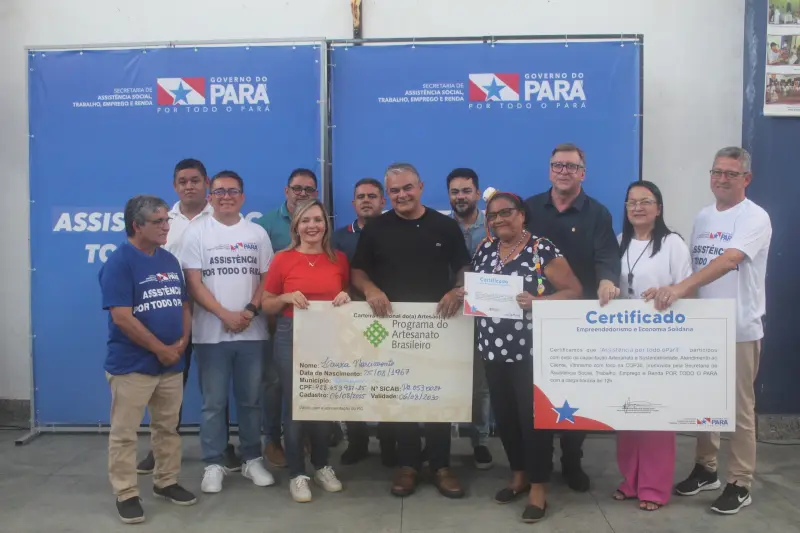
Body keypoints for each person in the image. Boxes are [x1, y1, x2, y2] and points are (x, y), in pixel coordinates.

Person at [646, 147, 772, 515]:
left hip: (739, 327)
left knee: (739, 408)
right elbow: (695, 269)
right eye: (716, 172)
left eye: (731, 173)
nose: (721, 179)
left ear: (746, 178)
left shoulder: (755, 217)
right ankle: (706, 468)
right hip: (703, 325)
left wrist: (679, 288)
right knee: (704, 401)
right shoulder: (703, 216)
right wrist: (670, 290)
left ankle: (740, 482)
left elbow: (730, 260)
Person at [351, 162, 470, 499]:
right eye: (394, 190)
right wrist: (371, 290)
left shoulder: (445, 226)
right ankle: (408, 466)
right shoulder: (376, 228)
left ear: (420, 187)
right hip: (391, 327)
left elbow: (464, 266)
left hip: (439, 326)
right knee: (400, 395)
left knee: (437, 394)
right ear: (387, 194)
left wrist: (457, 290)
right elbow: (357, 271)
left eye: (407, 188)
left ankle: (440, 464)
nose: (401, 195)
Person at [472, 191, 582, 523]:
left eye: (506, 212)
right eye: (493, 215)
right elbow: (479, 288)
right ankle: (518, 475)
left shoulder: (541, 249)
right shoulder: (485, 248)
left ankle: (538, 487)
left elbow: (574, 292)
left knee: (532, 421)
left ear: (522, 214)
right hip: (492, 350)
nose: (499, 220)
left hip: (531, 352)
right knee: (505, 418)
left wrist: (538, 302)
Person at [524, 143, 621, 492]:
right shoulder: (529, 208)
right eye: (558, 165)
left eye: (571, 166)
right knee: (535, 393)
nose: (564, 171)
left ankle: (572, 460)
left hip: (578, 318)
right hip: (533, 313)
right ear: (550, 170)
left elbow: (607, 255)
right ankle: (539, 463)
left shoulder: (598, 213)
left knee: (574, 392)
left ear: (583, 173)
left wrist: (607, 279)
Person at [137, 158, 240, 475]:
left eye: (195, 180)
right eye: (182, 181)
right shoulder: (163, 221)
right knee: (169, 388)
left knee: (215, 390)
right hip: (171, 317)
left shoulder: (221, 217)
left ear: (206, 183)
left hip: (211, 315)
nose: (189, 186)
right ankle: (161, 449)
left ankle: (222, 446)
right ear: (174, 186)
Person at [99, 195, 197, 524]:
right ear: (137, 225)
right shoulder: (120, 262)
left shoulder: (168, 259)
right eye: (159, 222)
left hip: (171, 363)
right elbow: (122, 317)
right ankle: (126, 493)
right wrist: (159, 348)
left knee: (167, 428)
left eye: (167, 220)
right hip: (132, 365)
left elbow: (183, 304)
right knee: (125, 432)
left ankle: (166, 481)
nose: (166, 226)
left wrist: (183, 341)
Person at [180, 170, 276, 493]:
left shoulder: (257, 233)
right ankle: (213, 463)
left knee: (250, 402)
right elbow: (193, 282)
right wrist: (224, 314)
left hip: (253, 332)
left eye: (232, 191)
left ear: (242, 197)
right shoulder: (197, 233)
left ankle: (252, 459)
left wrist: (248, 311)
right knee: (213, 404)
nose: (226, 197)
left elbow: (268, 279)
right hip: (211, 334)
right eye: (219, 191)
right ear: (210, 197)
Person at [607, 181, 692, 511]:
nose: (638, 208)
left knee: (655, 416)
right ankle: (630, 481)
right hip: (624, 342)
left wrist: (667, 292)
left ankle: (654, 488)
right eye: (631, 202)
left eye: (645, 201)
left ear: (659, 208)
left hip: (661, 343)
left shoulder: (673, 245)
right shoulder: (618, 243)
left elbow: (687, 290)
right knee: (627, 412)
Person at [262, 199, 348, 502]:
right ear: (296, 226)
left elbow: (346, 295)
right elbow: (266, 303)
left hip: (329, 336)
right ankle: (298, 474)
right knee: (296, 405)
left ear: (326, 225)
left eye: (318, 220)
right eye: (305, 220)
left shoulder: (338, 259)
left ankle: (322, 465)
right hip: (291, 336)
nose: (312, 226)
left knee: (323, 404)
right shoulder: (283, 259)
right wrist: (285, 297)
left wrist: (345, 297)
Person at [255, 168, 320, 468]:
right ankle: (272, 439)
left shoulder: (320, 224)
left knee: (308, 381)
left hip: (314, 326)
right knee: (274, 383)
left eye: (308, 189)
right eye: (297, 188)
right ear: (286, 191)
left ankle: (302, 436)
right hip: (276, 319)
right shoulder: (265, 225)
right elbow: (259, 275)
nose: (302, 194)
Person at [331, 177, 396, 466]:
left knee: (388, 380)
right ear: (353, 203)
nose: (366, 200)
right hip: (350, 320)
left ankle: (389, 442)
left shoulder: (396, 231)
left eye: (372, 196)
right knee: (352, 381)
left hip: (388, 318)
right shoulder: (339, 237)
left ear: (383, 201)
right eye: (361, 197)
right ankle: (356, 441)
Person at [446, 167, 493, 470]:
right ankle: (437, 442)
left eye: (466, 191)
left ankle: (480, 440)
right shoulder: (439, 226)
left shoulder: (494, 224)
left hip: (485, 314)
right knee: (438, 375)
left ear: (477, 193)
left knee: (480, 384)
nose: (460, 197)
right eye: (454, 192)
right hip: (447, 312)